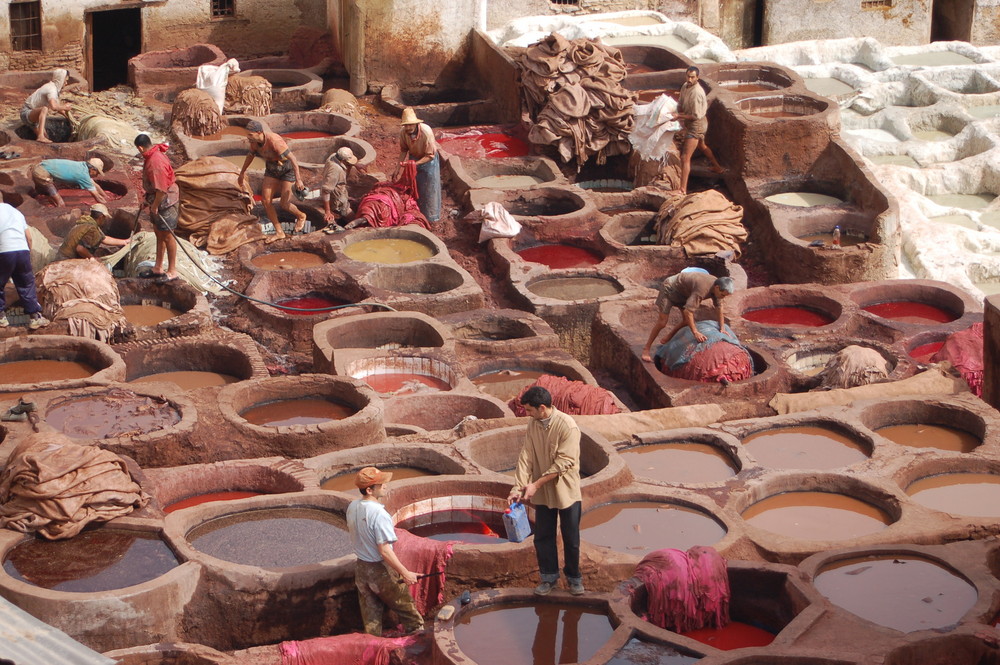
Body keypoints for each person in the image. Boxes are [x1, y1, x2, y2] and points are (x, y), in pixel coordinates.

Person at [507, 386, 584, 596]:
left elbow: (564, 462)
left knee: (571, 538)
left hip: (565, 492)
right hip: (541, 492)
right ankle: (549, 577)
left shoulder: (567, 426)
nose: (527, 415)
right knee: (543, 536)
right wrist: (518, 486)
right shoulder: (534, 423)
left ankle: (574, 578)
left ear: (542, 408)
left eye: (530, 410)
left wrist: (535, 484)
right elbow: (526, 457)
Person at [346, 466, 424, 637]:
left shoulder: (352, 506)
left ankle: (373, 650)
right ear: (369, 489)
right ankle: (418, 647)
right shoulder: (379, 514)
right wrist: (405, 573)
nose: (385, 487)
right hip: (380, 571)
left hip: (361, 569)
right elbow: (385, 550)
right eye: (381, 485)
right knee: (409, 614)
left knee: (371, 618)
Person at [642, 269, 735, 362]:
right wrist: (695, 332)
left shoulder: (718, 288)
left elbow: (719, 308)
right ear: (717, 287)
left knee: (687, 321)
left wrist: (722, 327)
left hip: (684, 293)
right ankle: (646, 349)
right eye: (722, 295)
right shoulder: (702, 289)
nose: (723, 297)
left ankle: (668, 337)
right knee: (662, 322)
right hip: (670, 288)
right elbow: (688, 312)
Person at [239, 119, 306, 242]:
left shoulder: (275, 141)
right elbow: (250, 156)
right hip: (272, 169)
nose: (248, 137)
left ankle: (301, 216)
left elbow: (293, 160)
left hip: (286, 170)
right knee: (265, 201)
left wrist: (298, 180)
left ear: (259, 132)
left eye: (250, 134)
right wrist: (242, 172)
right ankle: (279, 232)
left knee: (284, 204)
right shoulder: (254, 143)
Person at [134, 133, 180, 282]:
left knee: (167, 235)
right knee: (158, 233)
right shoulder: (152, 154)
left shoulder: (155, 163)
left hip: (165, 200)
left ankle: (172, 270)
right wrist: (148, 200)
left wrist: (154, 206)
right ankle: (158, 267)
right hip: (156, 197)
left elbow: (161, 190)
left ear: (140, 148)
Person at [671, 66, 723, 195]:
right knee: (702, 145)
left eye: (692, 77)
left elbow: (695, 116)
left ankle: (682, 189)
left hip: (697, 124)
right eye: (688, 76)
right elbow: (680, 103)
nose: (689, 79)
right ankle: (717, 167)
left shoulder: (697, 93)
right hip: (694, 123)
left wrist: (678, 116)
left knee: (685, 157)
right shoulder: (685, 86)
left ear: (697, 78)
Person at [0, 196, 49, 330]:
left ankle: (1, 318)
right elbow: (29, 237)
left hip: (4, 251)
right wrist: (27, 253)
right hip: (22, 250)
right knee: (26, 284)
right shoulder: (16, 213)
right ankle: (35, 317)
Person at [397, 107, 441, 223]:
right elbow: (403, 150)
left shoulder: (426, 132)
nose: (408, 128)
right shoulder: (403, 133)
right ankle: (417, 213)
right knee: (416, 187)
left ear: (416, 124)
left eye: (410, 125)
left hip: (429, 161)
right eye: (406, 125)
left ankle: (432, 217)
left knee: (429, 188)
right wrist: (397, 169)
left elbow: (430, 155)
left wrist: (413, 164)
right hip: (414, 157)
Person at [56, 203, 129, 260]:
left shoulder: (86, 222)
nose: (104, 220)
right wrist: (92, 258)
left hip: (60, 256)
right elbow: (80, 249)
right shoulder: (91, 229)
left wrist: (124, 242)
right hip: (67, 259)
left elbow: (104, 238)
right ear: (101, 217)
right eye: (104, 218)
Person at [31, 158, 108, 208]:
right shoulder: (83, 175)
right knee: (61, 203)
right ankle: (58, 215)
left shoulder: (82, 166)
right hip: (41, 173)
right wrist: (106, 205)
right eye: (97, 173)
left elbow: (95, 185)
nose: (97, 175)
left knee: (47, 195)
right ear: (92, 169)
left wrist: (106, 196)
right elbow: (96, 196)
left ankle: (51, 206)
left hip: (40, 166)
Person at [21, 68, 72, 143]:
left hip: (35, 116)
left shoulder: (54, 88)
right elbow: (54, 107)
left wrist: (69, 118)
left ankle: (42, 136)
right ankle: (40, 136)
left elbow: (58, 108)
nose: (66, 83)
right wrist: (65, 107)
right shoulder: (51, 89)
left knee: (47, 136)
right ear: (60, 79)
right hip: (27, 112)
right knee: (44, 109)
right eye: (65, 80)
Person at [320, 146, 365, 229]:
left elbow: (348, 161)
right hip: (337, 198)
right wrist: (328, 211)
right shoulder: (335, 170)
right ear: (343, 161)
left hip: (341, 191)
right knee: (349, 214)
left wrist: (356, 164)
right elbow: (326, 191)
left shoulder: (334, 156)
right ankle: (355, 228)